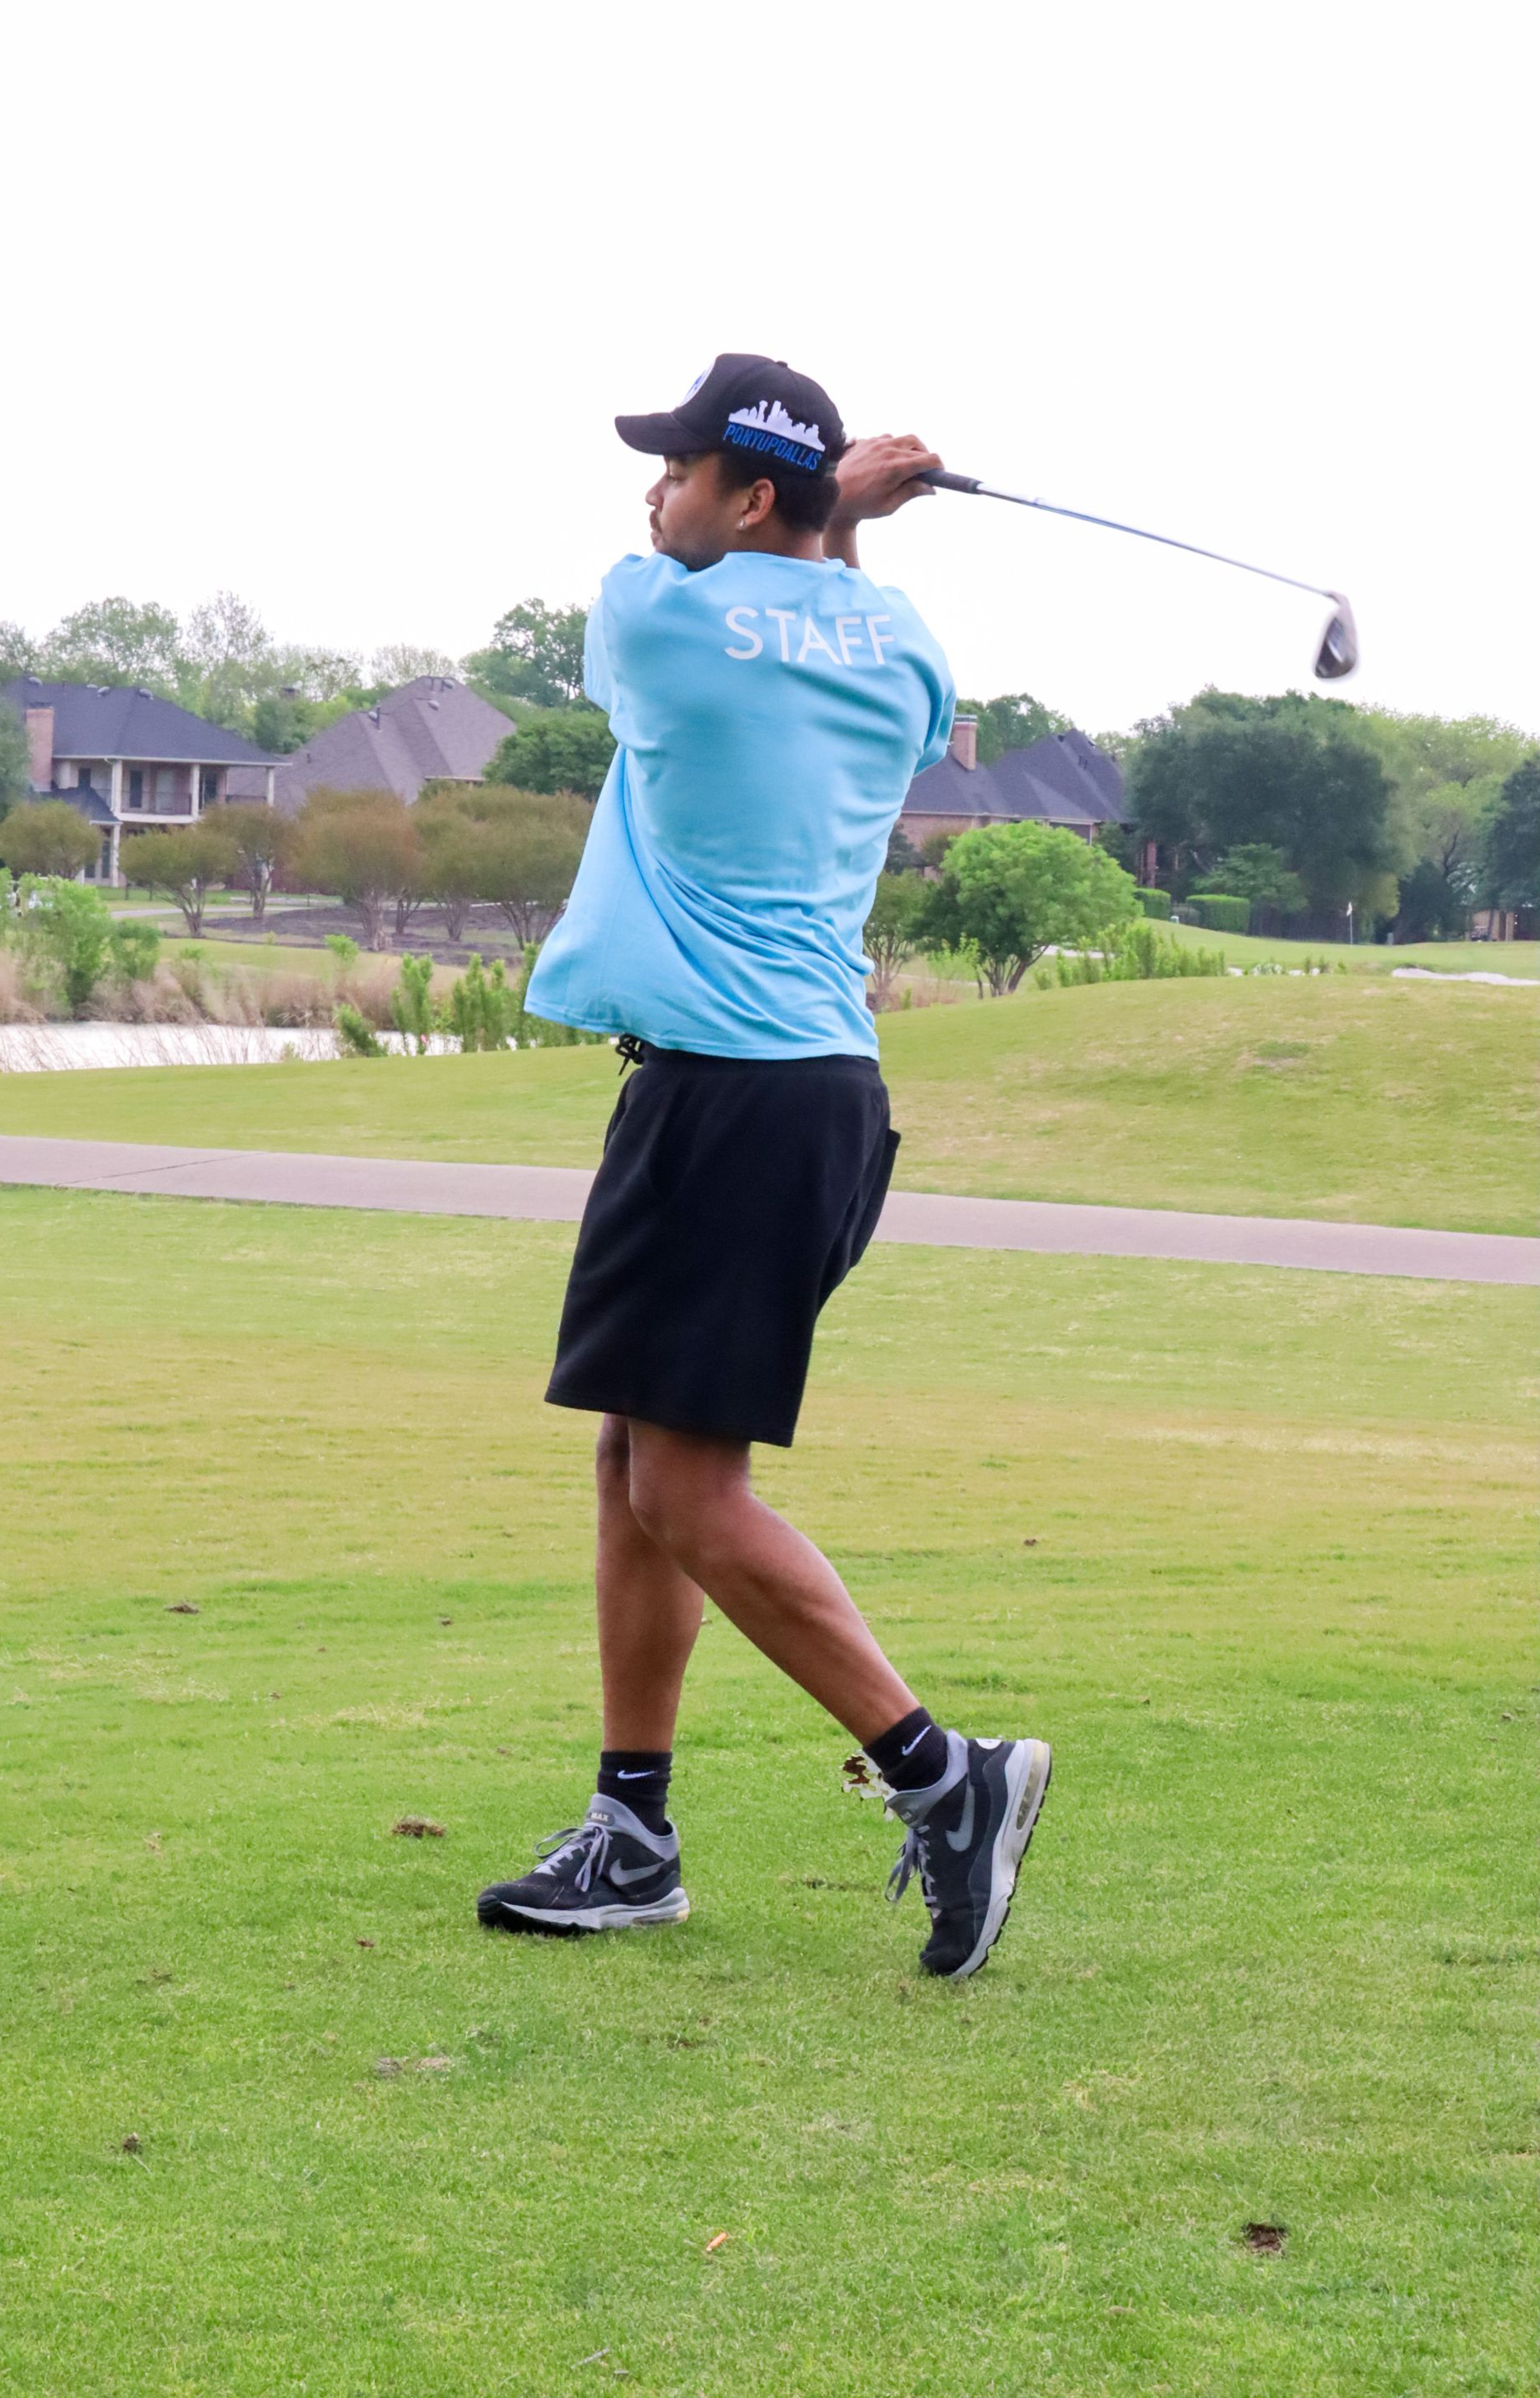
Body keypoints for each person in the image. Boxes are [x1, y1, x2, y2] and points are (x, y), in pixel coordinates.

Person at [476, 354, 1051, 1979]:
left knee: (683, 1486)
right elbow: (827, 621)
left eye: (677, 474)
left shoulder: (657, 615)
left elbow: (704, 590)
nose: (648, 498)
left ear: (742, 498)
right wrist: (841, 526)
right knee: (631, 1462)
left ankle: (949, 1777)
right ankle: (633, 1828)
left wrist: (830, 509)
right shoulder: (908, 648)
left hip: (728, 1097)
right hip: (813, 1095)